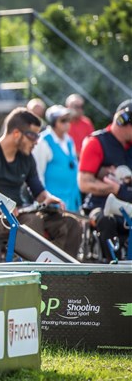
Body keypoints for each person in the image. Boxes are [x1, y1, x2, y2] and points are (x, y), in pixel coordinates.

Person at [0, 108, 82, 258]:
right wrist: (3, 204)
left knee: (71, 224)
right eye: (32, 136)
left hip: (20, 215)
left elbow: (38, 191)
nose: (37, 141)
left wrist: (47, 197)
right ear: (16, 134)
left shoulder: (27, 158)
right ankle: (35, 271)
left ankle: (62, 273)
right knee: (32, 222)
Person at [78, 99, 132, 260]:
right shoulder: (96, 142)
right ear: (123, 120)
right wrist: (114, 188)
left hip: (128, 203)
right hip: (100, 206)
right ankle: (111, 271)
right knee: (106, 221)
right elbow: (84, 183)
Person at [32, 105, 82, 213]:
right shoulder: (43, 141)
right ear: (53, 122)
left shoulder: (69, 140)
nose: (67, 123)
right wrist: (43, 200)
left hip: (72, 201)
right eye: (63, 120)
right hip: (53, 205)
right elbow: (37, 173)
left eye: (68, 120)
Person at [66, 93, 94, 158]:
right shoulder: (62, 122)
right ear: (68, 107)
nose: (80, 109)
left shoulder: (86, 122)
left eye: (82, 106)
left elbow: (92, 141)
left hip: (84, 158)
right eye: (76, 106)